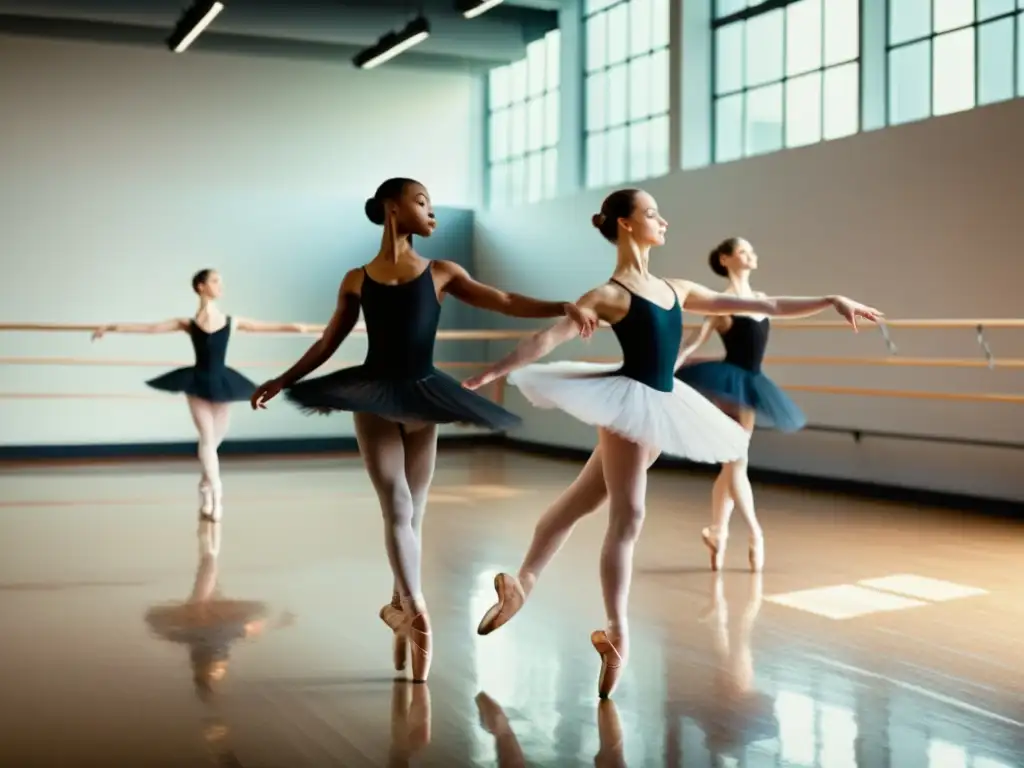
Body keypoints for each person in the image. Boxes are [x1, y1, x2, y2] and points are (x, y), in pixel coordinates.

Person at [463, 188, 882, 698]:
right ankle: (616, 633)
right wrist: (496, 370)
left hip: (660, 407)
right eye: (652, 214)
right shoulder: (609, 295)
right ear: (624, 224)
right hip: (629, 407)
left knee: (581, 500)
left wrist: (831, 300)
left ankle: (521, 584)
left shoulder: (678, 288)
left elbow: (763, 303)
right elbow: (548, 338)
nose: (664, 221)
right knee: (629, 516)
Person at [249, 177, 597, 683]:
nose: (432, 213)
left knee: (415, 511)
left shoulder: (441, 272)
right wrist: (284, 379)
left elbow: (501, 298)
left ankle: (397, 605)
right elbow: (328, 342)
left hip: (422, 395)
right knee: (397, 506)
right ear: (393, 208)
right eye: (421, 202)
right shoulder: (355, 279)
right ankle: (415, 609)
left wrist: (562, 305)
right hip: (372, 394)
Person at [92, 269, 313, 521]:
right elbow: (151, 328)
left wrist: (318, 329)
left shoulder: (231, 321)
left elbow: (270, 327)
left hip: (223, 384)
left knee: (212, 444)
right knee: (207, 440)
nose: (221, 286)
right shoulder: (188, 323)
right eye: (216, 281)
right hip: (197, 383)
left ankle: (205, 488)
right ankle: (217, 497)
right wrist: (110, 326)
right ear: (201, 286)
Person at [675, 237, 811, 573]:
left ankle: (718, 532)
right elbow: (693, 343)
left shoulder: (763, 299)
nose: (751, 255)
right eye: (743, 251)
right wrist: (667, 369)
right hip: (728, 384)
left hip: (752, 383)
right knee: (736, 460)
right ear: (725, 259)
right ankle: (755, 532)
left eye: (752, 250)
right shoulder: (720, 302)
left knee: (732, 463)